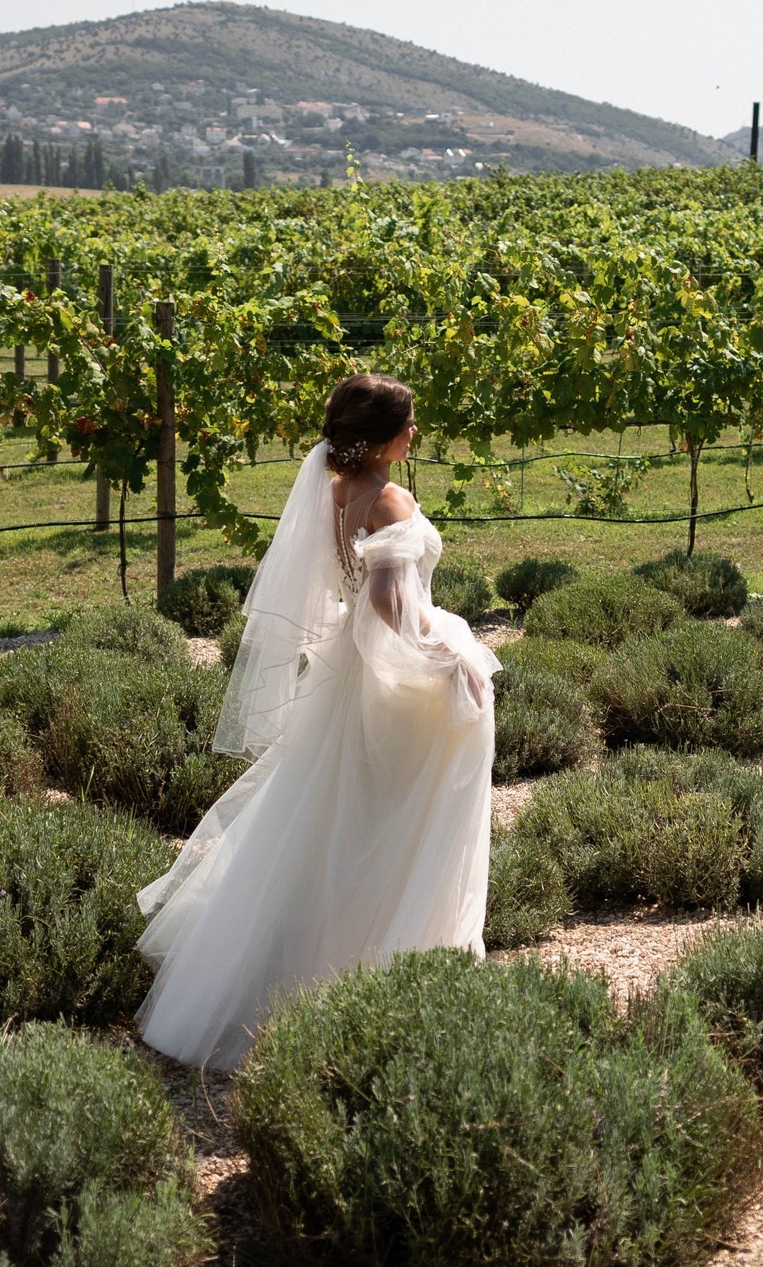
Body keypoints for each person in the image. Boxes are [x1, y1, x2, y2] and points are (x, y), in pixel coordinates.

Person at [132, 373, 500, 1070]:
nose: (416, 432)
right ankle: (394, 961)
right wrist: (449, 654)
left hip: (350, 672)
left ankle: (311, 968)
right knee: (395, 823)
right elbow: (392, 600)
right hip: (393, 677)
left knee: (336, 820)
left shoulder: (336, 491)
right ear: (387, 437)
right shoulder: (389, 496)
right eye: (411, 423)